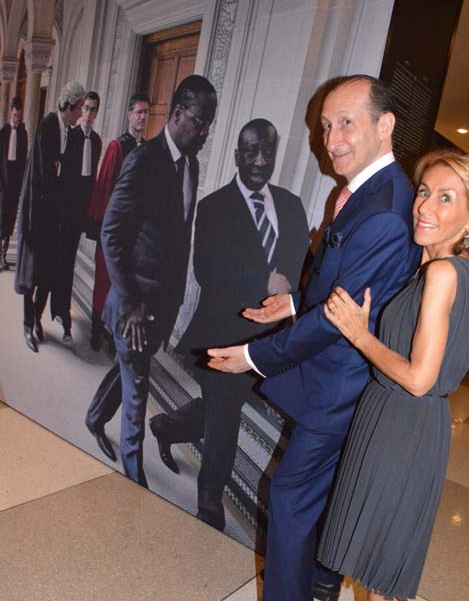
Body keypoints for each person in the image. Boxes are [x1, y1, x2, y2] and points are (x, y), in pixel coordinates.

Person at [207, 75, 421, 601]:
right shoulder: (363, 193)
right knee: (317, 489)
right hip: (339, 377)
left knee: (292, 494)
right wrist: (294, 302)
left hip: (341, 384)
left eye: (346, 122)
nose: (331, 137)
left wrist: (252, 354)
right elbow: (350, 289)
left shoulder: (383, 210)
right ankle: (323, 576)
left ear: (385, 126)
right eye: (326, 125)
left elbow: (339, 321)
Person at [301, 150, 469, 601]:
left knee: (381, 539)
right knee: (381, 536)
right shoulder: (454, 272)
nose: (424, 207)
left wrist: (359, 333)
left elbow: (418, 377)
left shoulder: (441, 273)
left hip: (404, 419)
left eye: (445, 198)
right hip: (404, 421)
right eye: (422, 192)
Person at [149, 118, 309, 531]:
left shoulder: (291, 205)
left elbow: (294, 264)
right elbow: (207, 270)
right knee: (224, 417)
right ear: (237, 155)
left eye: (267, 152)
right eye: (251, 151)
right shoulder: (214, 207)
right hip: (222, 332)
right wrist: (262, 283)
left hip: (269, 339)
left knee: (224, 408)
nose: (259, 160)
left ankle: (165, 427)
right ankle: (208, 505)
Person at [85, 75, 217, 489]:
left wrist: (175, 300)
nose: (205, 132)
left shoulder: (191, 165)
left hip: (163, 302)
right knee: (139, 387)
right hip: (134, 304)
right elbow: (111, 233)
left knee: (130, 369)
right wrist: (133, 303)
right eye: (199, 122)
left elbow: (178, 237)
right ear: (177, 114)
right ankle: (133, 478)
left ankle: (92, 417)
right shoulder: (143, 160)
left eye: (210, 124)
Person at [15, 80, 85, 352]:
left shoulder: (67, 130)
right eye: (80, 107)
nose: (81, 113)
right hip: (38, 217)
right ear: (71, 105)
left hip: (54, 219)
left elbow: (60, 173)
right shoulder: (48, 126)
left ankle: (35, 318)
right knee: (32, 276)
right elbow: (42, 178)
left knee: (47, 275)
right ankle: (26, 324)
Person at [88, 92, 150, 351]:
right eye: (138, 112)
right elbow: (105, 186)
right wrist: (100, 225)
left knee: (123, 284)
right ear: (129, 114)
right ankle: (95, 329)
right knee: (104, 278)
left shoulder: (147, 149)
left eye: (146, 112)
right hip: (113, 227)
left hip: (134, 232)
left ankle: (114, 331)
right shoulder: (117, 146)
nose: (142, 117)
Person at [55, 91, 102, 340]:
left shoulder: (96, 141)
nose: (88, 114)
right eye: (86, 108)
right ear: (80, 109)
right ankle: (59, 311)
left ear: (97, 113)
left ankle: (63, 310)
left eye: (93, 109)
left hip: (80, 213)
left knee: (69, 262)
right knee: (59, 262)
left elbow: (92, 177)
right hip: (65, 211)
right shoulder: (70, 136)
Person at [0, 97, 27, 270]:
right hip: (2, 182)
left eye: (19, 116)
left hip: (14, 185)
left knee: (9, 220)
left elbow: (23, 160)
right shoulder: (3, 132)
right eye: (15, 115)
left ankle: (3, 254)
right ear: (11, 111)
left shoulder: (23, 134)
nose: (17, 118)